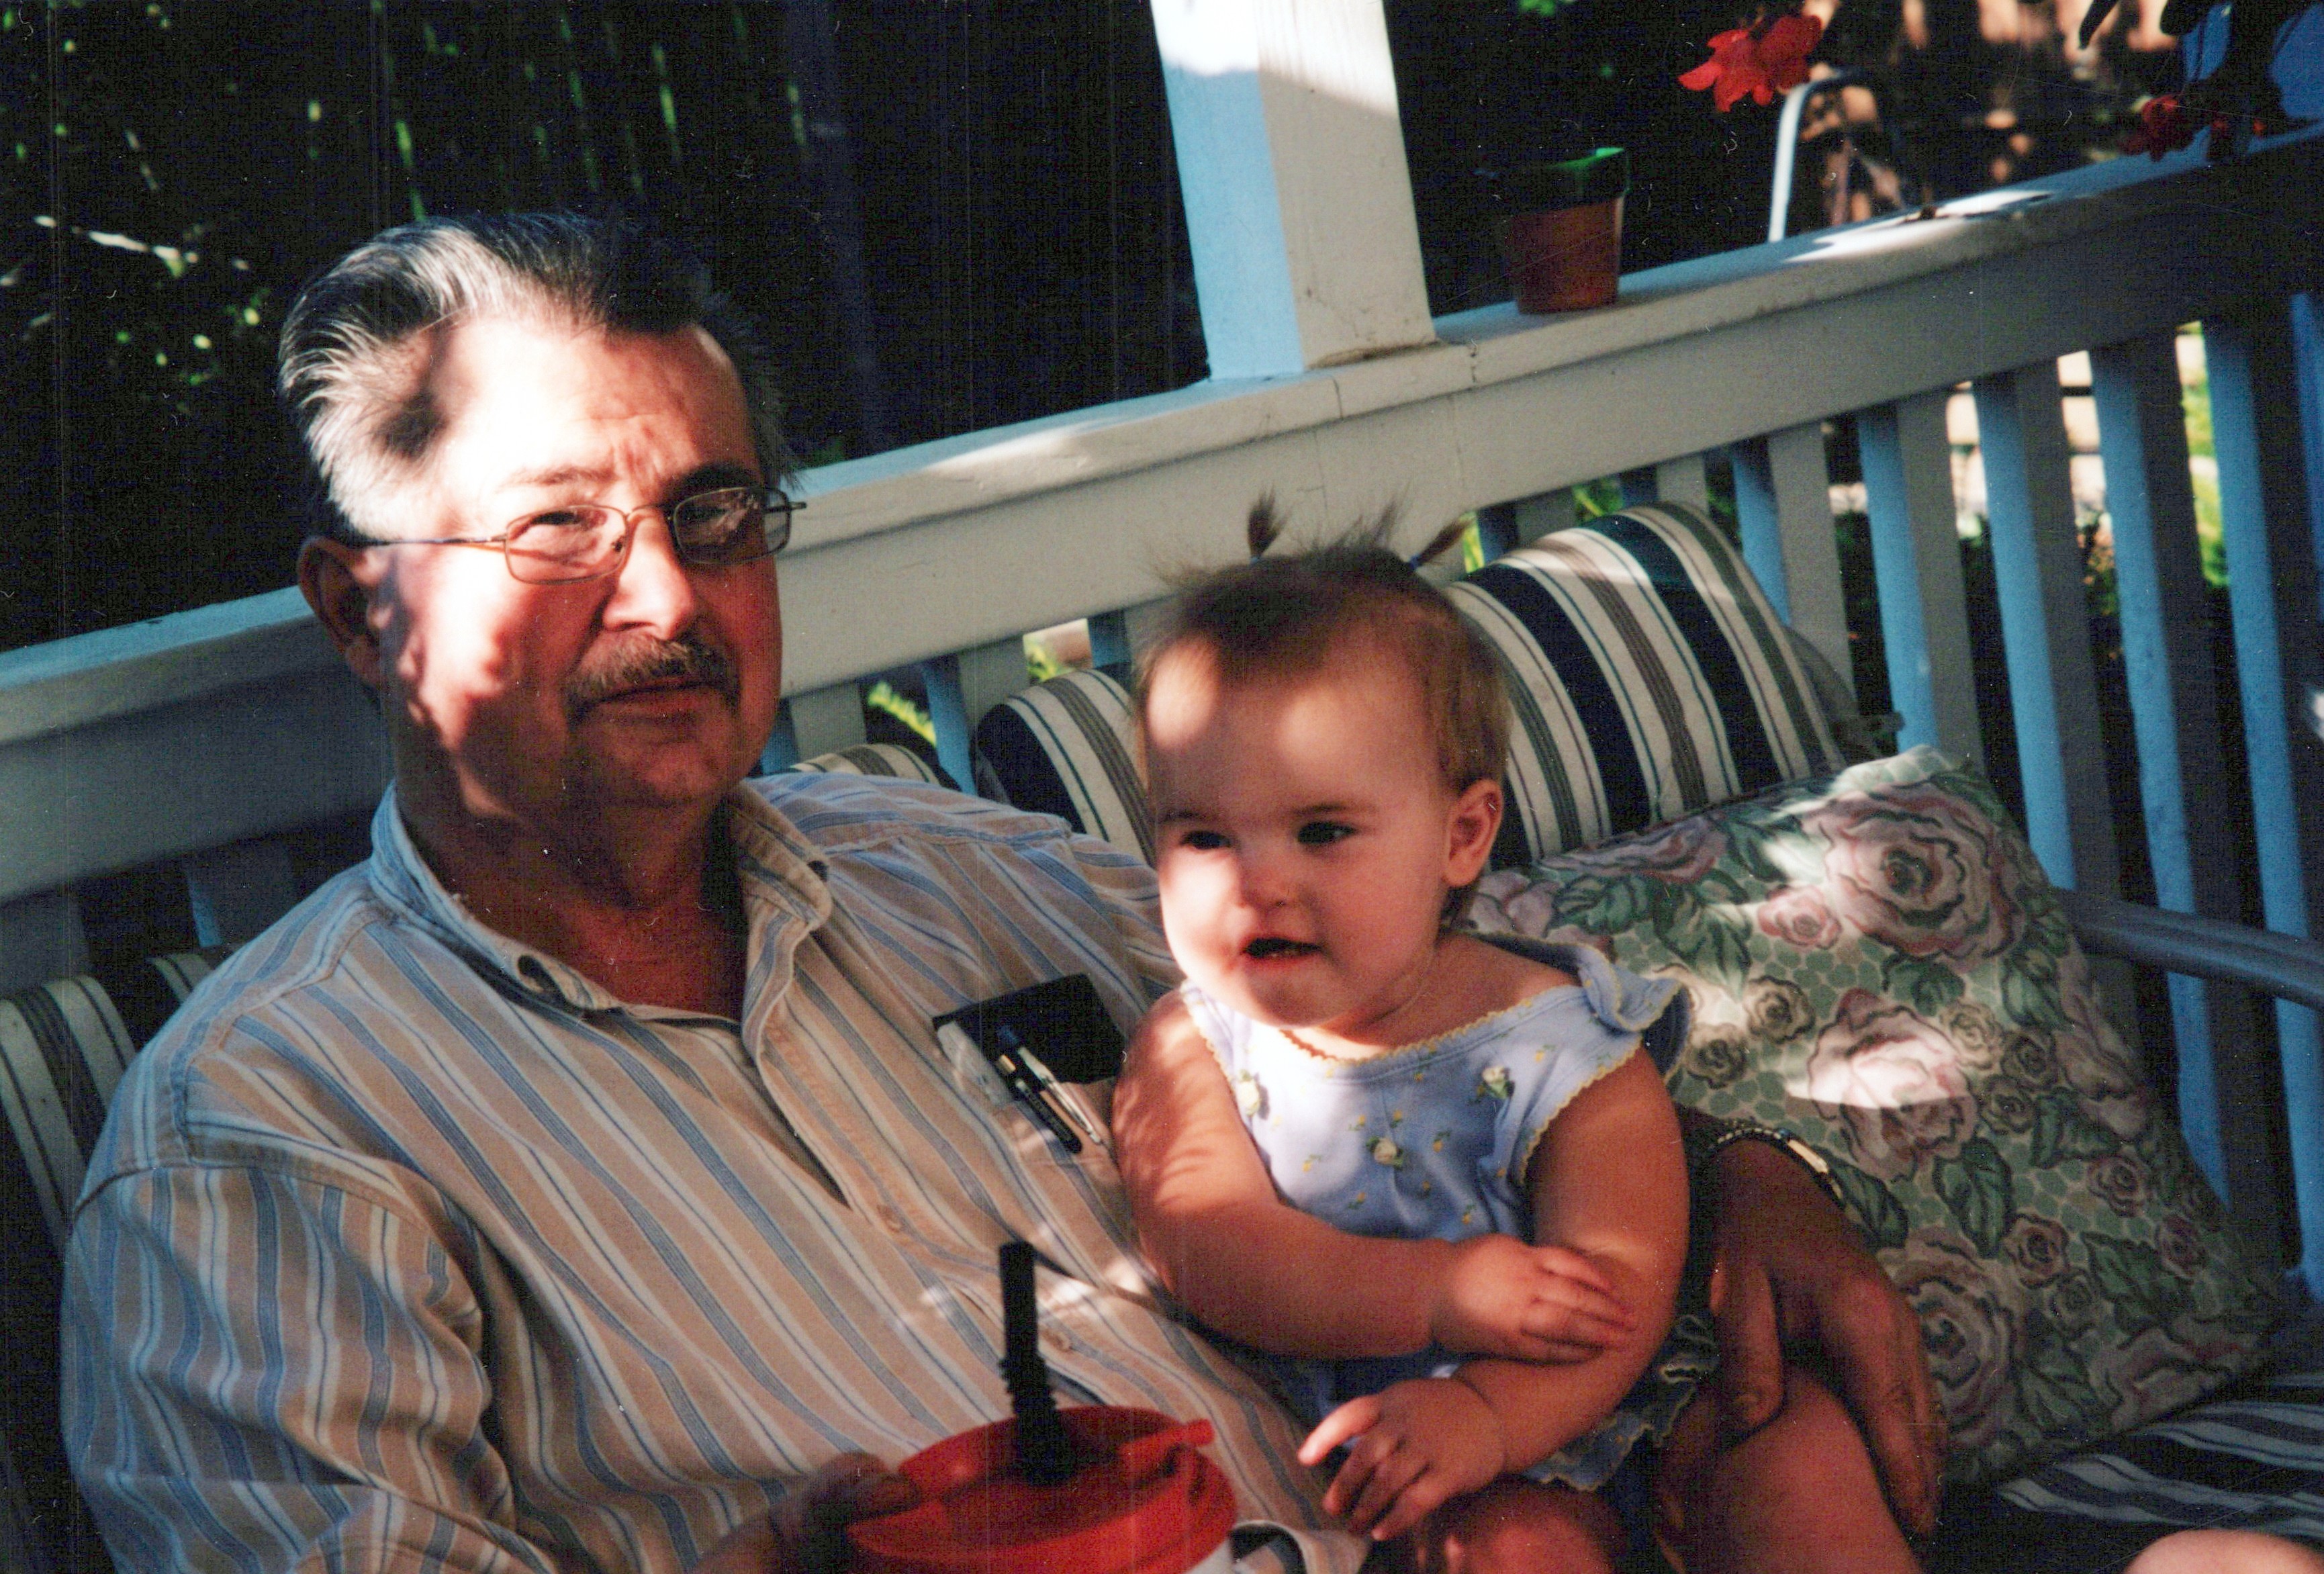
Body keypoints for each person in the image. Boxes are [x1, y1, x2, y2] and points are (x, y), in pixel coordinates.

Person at [61, 212, 1945, 1574]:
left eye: (713, 515)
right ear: (362, 611)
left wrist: (1736, 1176)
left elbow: (1398, 1031)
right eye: (560, 528)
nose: (669, 598)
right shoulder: (269, 1135)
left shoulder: (945, 866)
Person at [1113, 539, 1915, 1573]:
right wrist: (1438, 1299)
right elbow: (1211, 1249)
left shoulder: (1553, 1033)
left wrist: (1501, 1409)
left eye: (1321, 831)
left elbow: (1621, 1283)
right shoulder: (1193, 1046)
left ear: (1461, 835)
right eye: (1203, 839)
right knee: (1504, 1550)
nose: (1254, 884)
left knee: (1798, 1458)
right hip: (1434, 1446)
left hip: (1633, 1389)